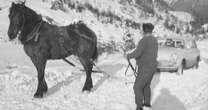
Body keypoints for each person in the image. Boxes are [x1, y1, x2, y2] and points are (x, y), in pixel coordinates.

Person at [127, 23, 158, 110]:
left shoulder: (144, 40)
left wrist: (128, 56)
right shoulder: (154, 40)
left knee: (137, 87)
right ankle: (147, 103)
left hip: (145, 67)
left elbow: (138, 52)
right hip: (152, 67)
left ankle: (139, 107)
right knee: (146, 85)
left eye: (142, 29)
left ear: (144, 30)